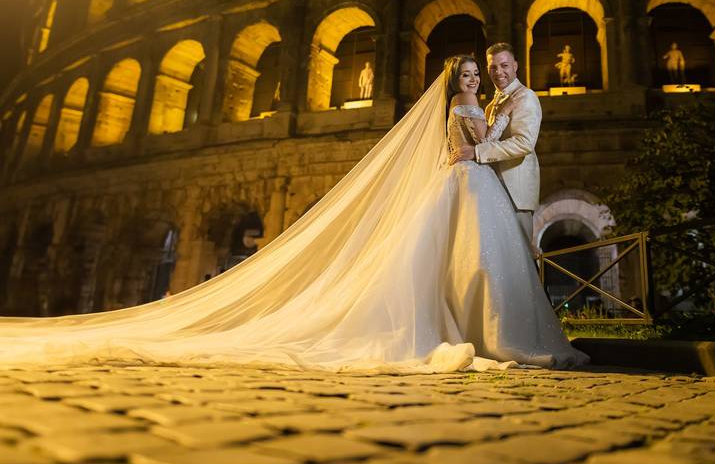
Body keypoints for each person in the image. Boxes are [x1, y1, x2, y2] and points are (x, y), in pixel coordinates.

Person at [0, 54, 588, 373]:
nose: (481, 77)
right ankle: (482, 332)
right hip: (471, 177)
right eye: (474, 72)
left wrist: (476, 149)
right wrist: (473, 148)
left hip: (484, 179)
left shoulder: (511, 99)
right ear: (461, 79)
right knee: (468, 259)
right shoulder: (471, 103)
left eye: (482, 72)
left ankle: (487, 331)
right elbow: (466, 140)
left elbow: (515, 142)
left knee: (477, 259)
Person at [450, 43, 541, 244]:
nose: (498, 72)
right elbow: (487, 137)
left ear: (515, 66)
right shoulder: (490, 105)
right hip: (490, 189)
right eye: (493, 67)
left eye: (504, 65)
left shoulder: (525, 96)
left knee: (521, 257)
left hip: (516, 191)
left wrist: (477, 152)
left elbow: (524, 143)